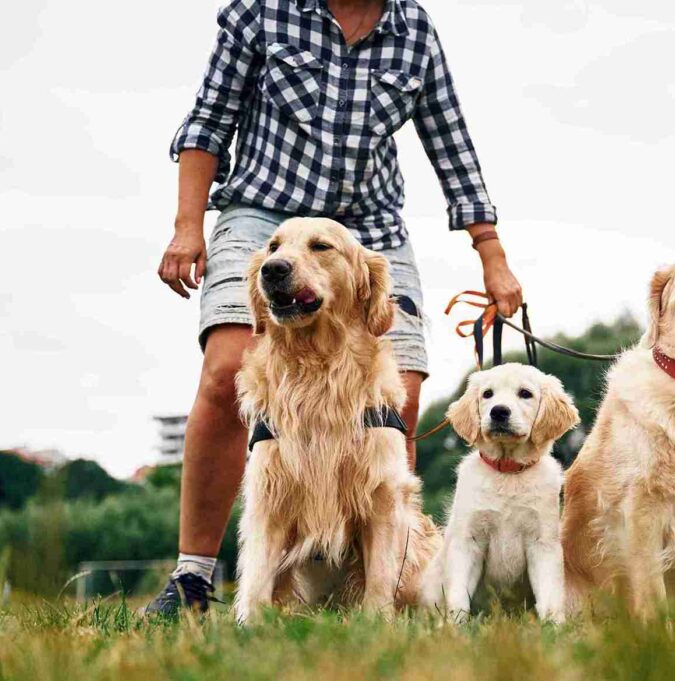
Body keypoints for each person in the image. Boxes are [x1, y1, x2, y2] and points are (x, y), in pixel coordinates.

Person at [145, 0, 522, 615]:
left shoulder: (413, 30)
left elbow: (452, 146)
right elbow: (207, 122)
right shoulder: (260, 12)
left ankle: (380, 578)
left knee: (396, 396)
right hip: (262, 213)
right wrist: (189, 227)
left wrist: (492, 254)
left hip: (369, 228)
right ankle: (192, 577)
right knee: (227, 369)